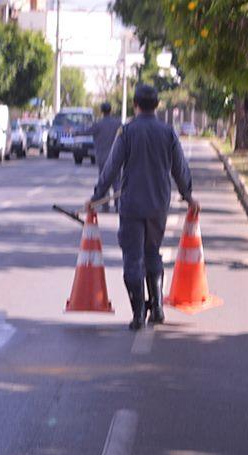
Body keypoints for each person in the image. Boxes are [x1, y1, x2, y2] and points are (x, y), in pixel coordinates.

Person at [86, 85, 200, 331]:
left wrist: (97, 196)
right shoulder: (167, 132)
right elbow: (180, 168)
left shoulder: (127, 132)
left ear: (136, 105)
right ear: (157, 105)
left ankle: (139, 313)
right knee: (152, 253)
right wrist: (188, 195)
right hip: (158, 205)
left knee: (132, 259)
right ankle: (156, 308)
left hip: (132, 207)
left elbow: (111, 168)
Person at [79, 101, 122, 211]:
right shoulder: (118, 123)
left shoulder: (98, 124)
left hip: (102, 157)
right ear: (110, 110)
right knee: (116, 181)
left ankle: (105, 205)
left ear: (102, 111)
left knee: (104, 181)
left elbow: (86, 132)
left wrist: (73, 132)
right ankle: (118, 205)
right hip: (116, 156)